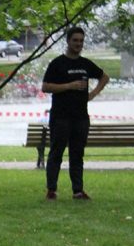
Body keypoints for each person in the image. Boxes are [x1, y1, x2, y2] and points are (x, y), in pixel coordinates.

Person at [41, 26, 109, 200]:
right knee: (56, 153)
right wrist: (68, 86)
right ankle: (51, 189)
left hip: (80, 117)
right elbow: (46, 87)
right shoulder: (57, 63)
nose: (78, 44)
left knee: (77, 154)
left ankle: (78, 190)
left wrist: (93, 94)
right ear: (68, 41)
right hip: (60, 117)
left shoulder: (85, 64)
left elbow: (104, 77)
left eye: (81, 41)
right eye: (75, 40)